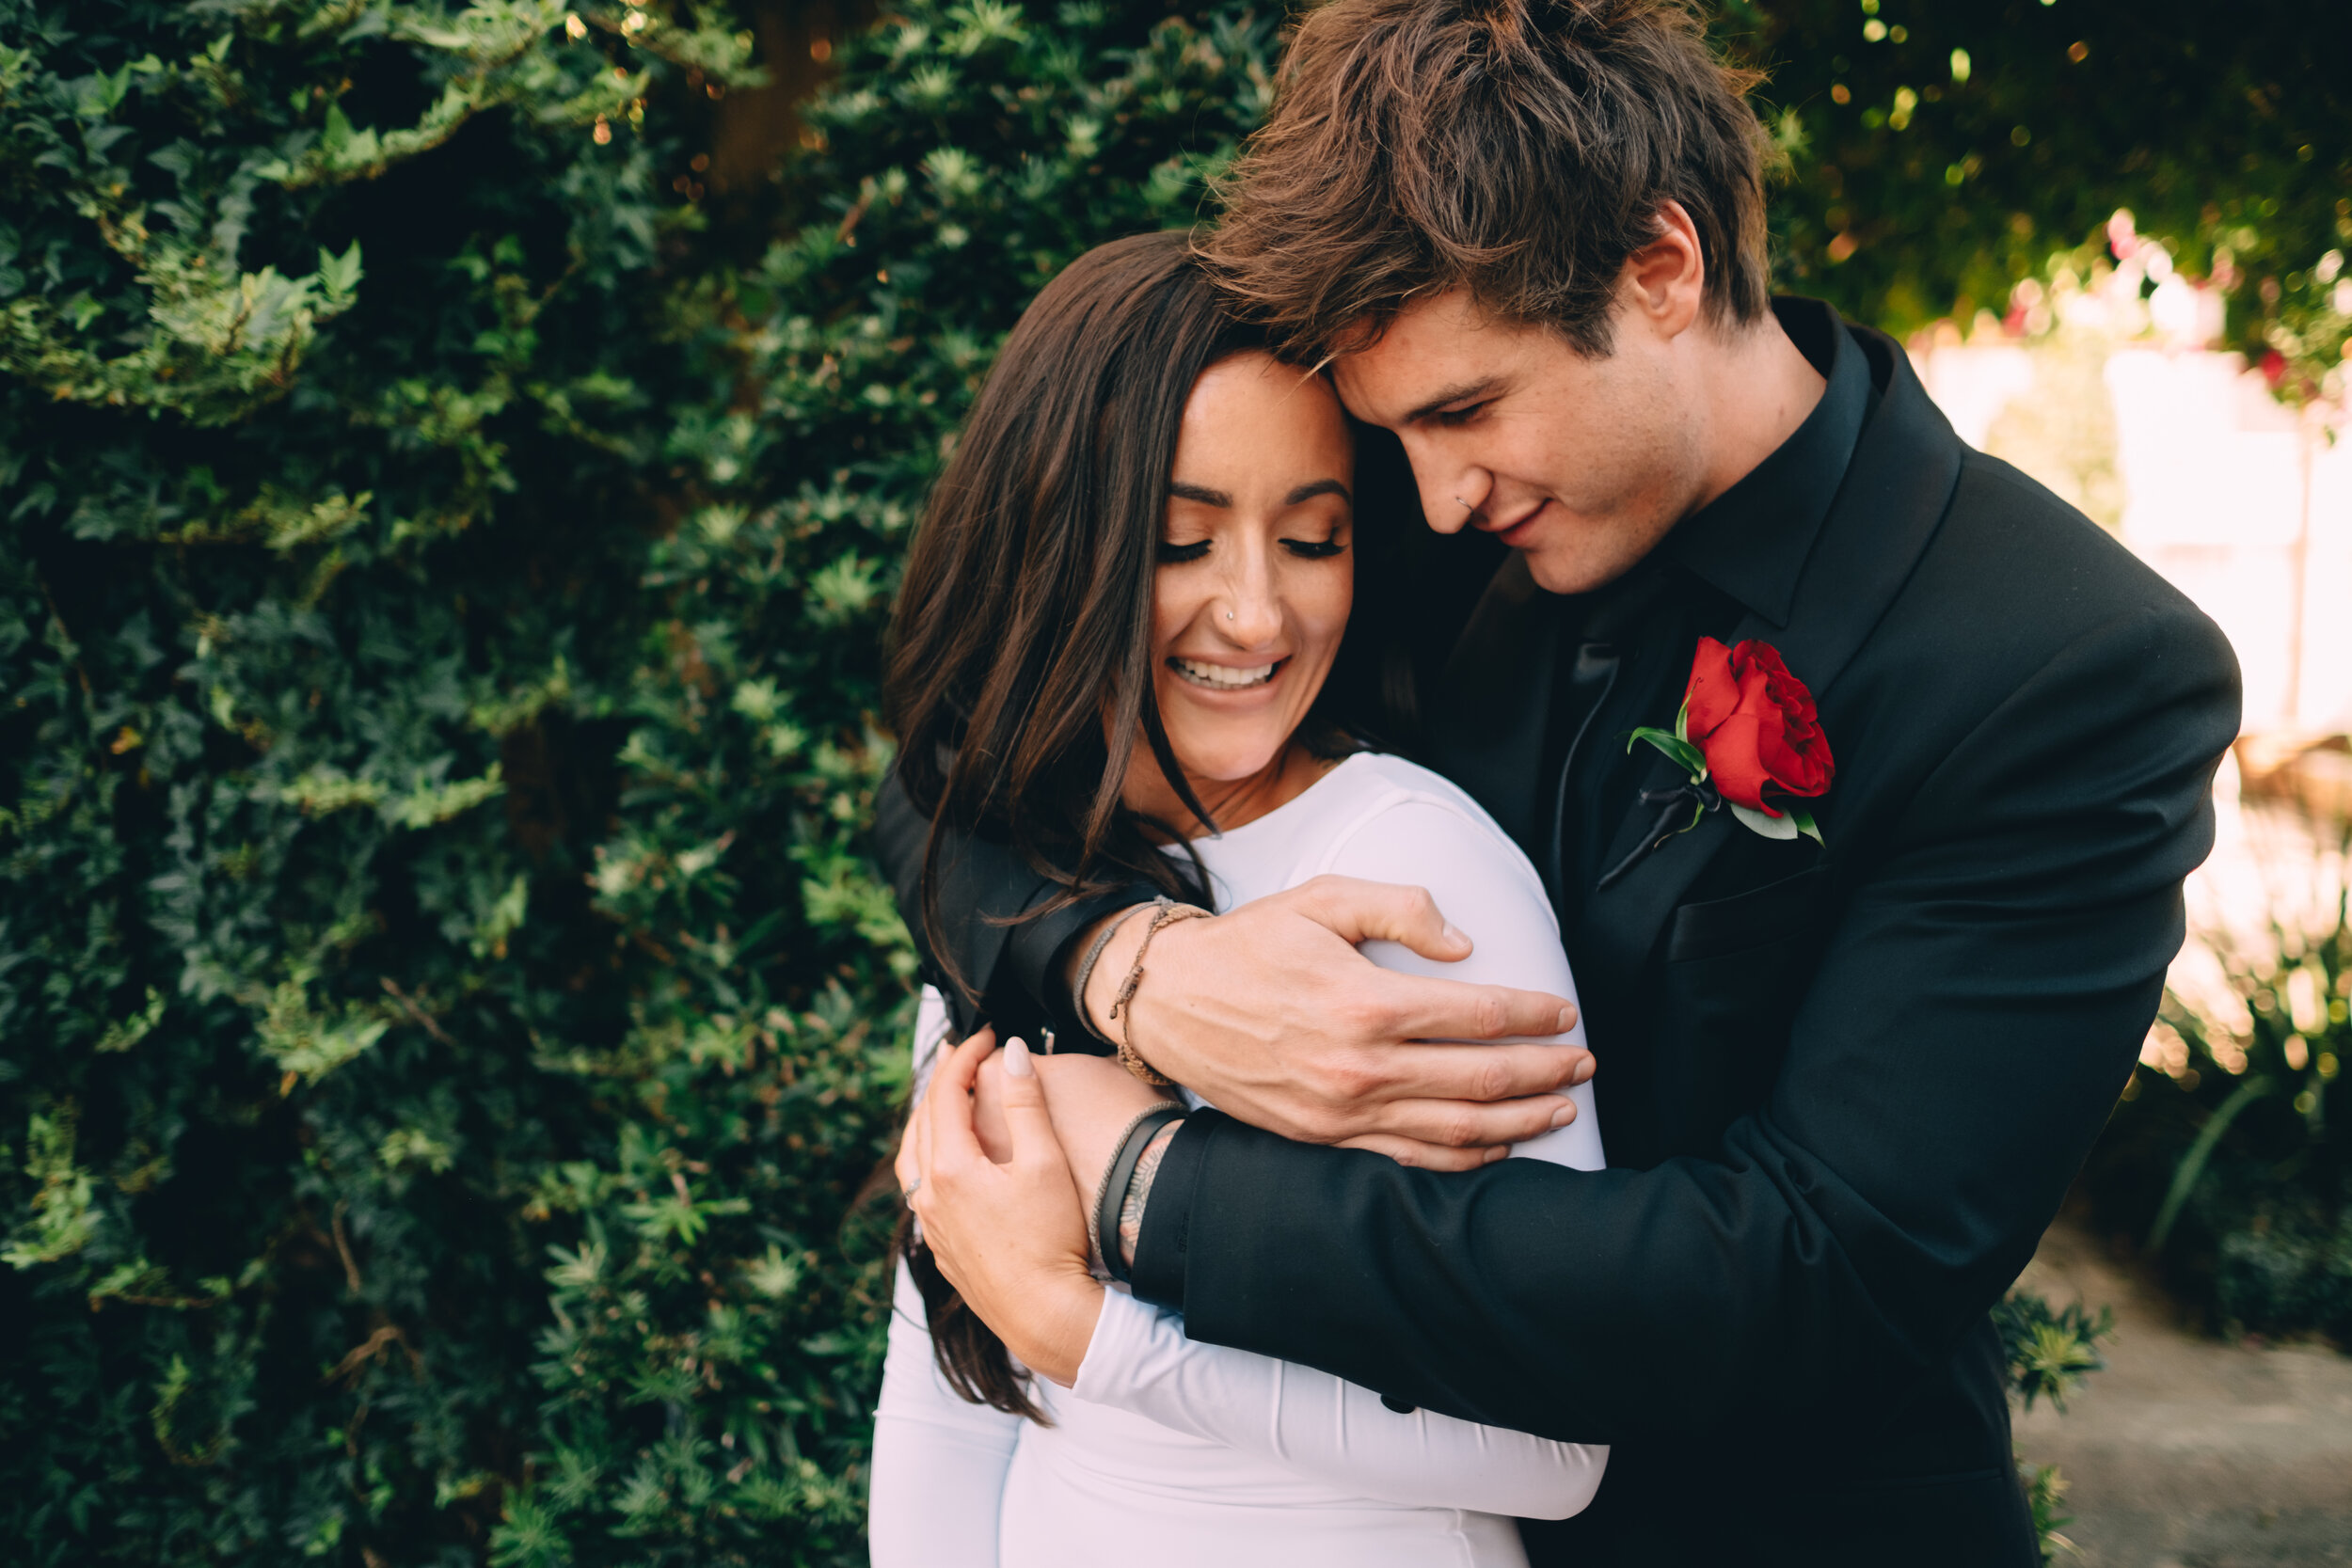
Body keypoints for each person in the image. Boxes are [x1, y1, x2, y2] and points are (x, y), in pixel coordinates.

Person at [884, 1, 2243, 1564]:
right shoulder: (1439, 522)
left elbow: (1816, 1276)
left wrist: (1150, 1187)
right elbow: (964, 779)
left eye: (1465, 411)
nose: (1438, 496)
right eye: (1398, 434)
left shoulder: (2067, 666)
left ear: (1662, 267)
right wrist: (1133, 964)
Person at [867, 230, 1609, 1567]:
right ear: (1059, 547)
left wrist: (1099, 1339)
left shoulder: (1421, 875)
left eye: (1312, 539)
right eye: (1181, 541)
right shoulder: (1011, 874)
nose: (1257, 614)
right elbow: (941, 1391)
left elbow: (1553, 1444)